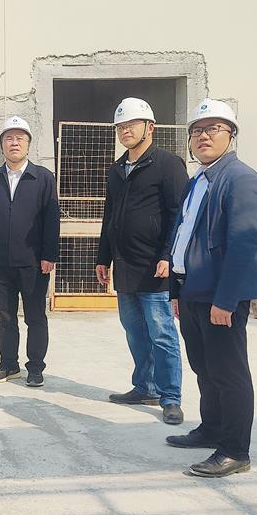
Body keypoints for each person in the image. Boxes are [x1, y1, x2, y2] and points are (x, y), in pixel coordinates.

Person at [166, 98, 257, 478]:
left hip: (219, 297)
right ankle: (211, 428)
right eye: (197, 130)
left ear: (231, 135)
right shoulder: (198, 181)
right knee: (204, 369)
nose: (203, 136)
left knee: (229, 373)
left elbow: (244, 245)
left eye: (213, 129)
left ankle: (235, 450)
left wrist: (226, 300)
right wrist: (175, 291)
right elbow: (182, 236)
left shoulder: (241, 180)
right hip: (192, 291)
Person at [95, 98, 188, 425]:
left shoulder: (168, 165)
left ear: (150, 127)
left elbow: (179, 216)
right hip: (125, 266)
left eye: (131, 125)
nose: (125, 131)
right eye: (120, 126)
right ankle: (145, 386)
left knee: (162, 333)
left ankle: (170, 397)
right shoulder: (117, 169)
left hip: (155, 267)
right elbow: (109, 215)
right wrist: (103, 257)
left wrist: (168, 255)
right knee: (135, 331)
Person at [0, 116, 60, 388]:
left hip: (34, 263)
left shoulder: (43, 178)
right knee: (5, 317)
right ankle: (8, 365)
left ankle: (35, 368)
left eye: (19, 138)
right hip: (0, 263)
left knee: (35, 317)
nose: (14, 143)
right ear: (2, 144)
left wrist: (49, 255)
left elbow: (52, 220)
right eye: (9, 138)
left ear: (28, 144)